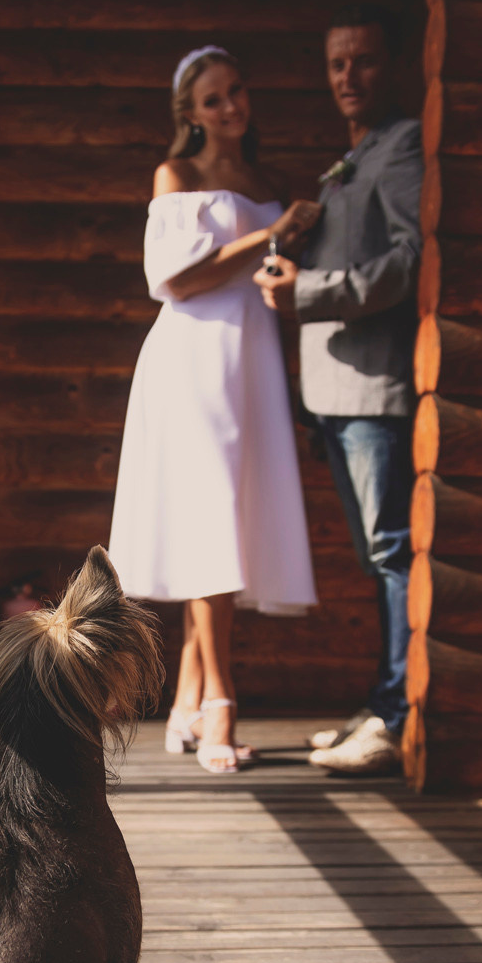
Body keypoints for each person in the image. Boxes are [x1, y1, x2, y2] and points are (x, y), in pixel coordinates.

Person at [108, 44, 319, 774]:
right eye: (212, 99)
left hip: (251, 360)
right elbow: (178, 281)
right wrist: (268, 233)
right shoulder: (177, 176)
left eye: (236, 91)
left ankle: (185, 706)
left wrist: (284, 266)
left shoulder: (264, 180)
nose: (230, 106)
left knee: (231, 518)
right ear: (189, 115)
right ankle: (221, 703)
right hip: (193, 359)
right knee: (208, 523)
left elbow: (266, 278)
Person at [255, 4, 423, 775]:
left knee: (392, 553)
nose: (348, 77)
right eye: (335, 65)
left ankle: (392, 716)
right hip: (330, 392)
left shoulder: (402, 147)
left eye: (362, 61)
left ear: (391, 65)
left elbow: (404, 261)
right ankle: (380, 698)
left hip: (374, 391)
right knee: (374, 556)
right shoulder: (346, 159)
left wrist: (309, 289)